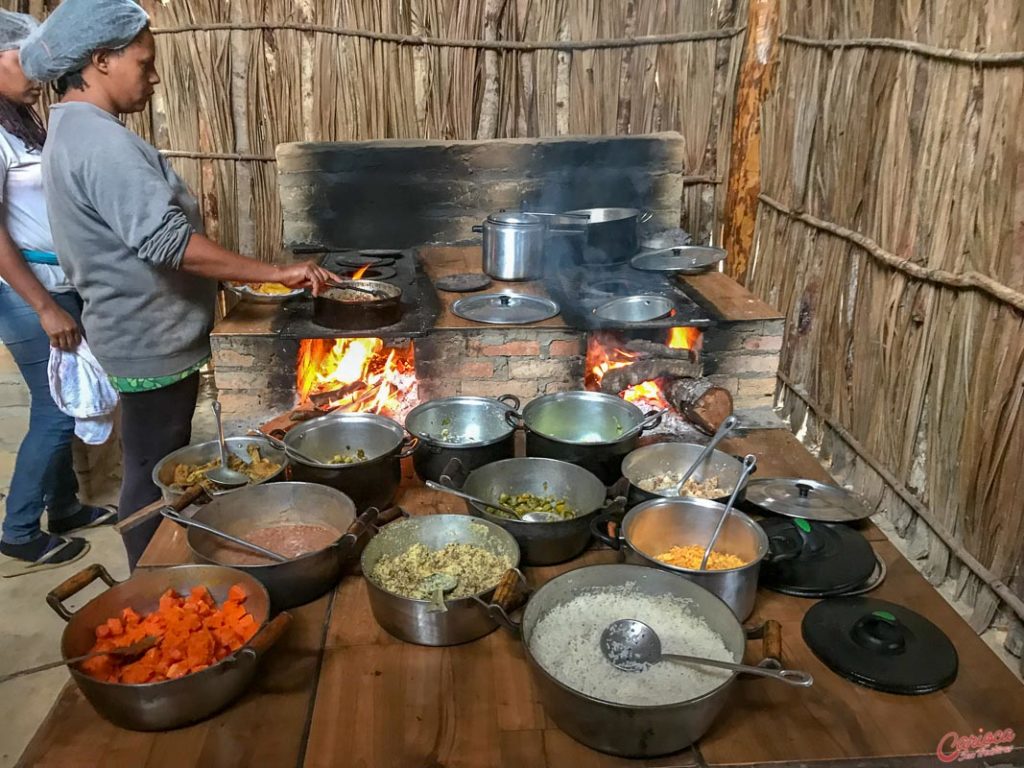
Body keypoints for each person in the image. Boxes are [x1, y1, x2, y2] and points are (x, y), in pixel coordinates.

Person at [20, 0, 339, 568]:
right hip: (148, 337)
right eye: (143, 63)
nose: (154, 74)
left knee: (153, 459)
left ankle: (156, 565)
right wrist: (275, 271)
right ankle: (150, 578)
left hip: (140, 328)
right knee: (151, 470)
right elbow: (167, 243)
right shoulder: (101, 142)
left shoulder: (73, 129)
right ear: (100, 61)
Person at [0, 10, 117, 566]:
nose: (37, 72)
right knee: (55, 410)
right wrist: (45, 306)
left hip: (58, 281)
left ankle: (64, 506)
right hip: (29, 290)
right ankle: (19, 529)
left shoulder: (22, 121)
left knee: (68, 393)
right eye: (24, 59)